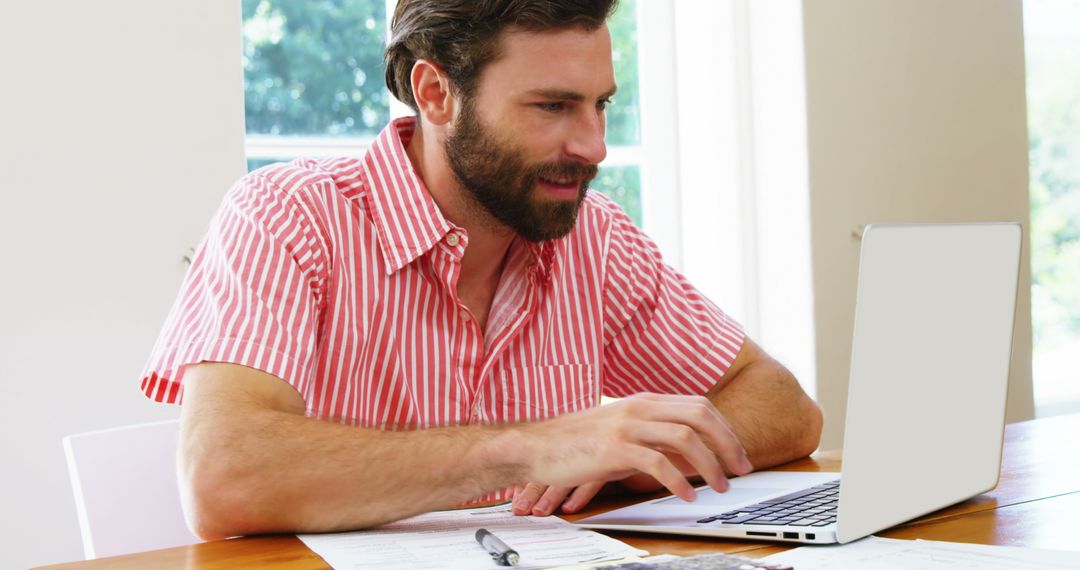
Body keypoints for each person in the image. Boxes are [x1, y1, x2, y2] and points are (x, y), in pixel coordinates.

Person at [139, 0, 823, 540]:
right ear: (435, 93)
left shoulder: (596, 237)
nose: (594, 146)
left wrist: (634, 464)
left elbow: (784, 407)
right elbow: (222, 475)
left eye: (601, 103)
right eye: (552, 106)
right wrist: (532, 449)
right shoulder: (285, 217)